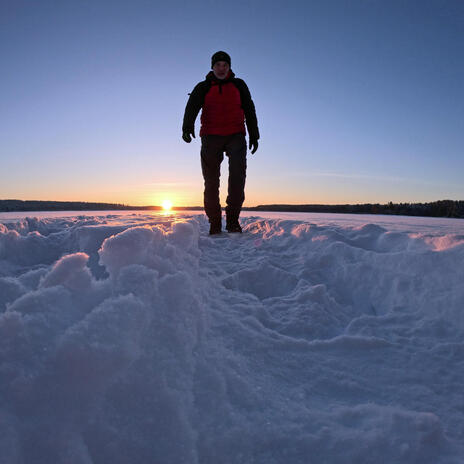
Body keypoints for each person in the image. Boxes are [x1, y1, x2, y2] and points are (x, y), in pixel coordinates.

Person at [182, 51, 260, 235]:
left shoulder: (239, 85)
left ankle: (233, 221)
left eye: (225, 65)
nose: (222, 68)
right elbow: (192, 106)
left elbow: (249, 108)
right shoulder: (203, 87)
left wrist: (254, 135)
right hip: (210, 136)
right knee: (211, 181)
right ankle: (215, 223)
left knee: (237, 178)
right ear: (212, 67)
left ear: (229, 67)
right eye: (218, 65)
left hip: (236, 136)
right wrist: (186, 127)